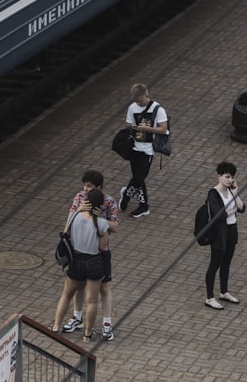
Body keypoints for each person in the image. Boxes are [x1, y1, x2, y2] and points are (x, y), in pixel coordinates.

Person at [61, 170, 120, 341]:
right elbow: (70, 218)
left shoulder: (109, 202)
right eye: (84, 185)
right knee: (78, 286)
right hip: (79, 250)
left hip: (101, 252)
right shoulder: (79, 197)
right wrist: (80, 210)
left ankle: (107, 324)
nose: (85, 189)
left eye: (90, 186)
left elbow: (115, 226)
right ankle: (77, 317)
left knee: (104, 287)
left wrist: (97, 217)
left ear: (99, 187)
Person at [51, 188, 111, 342]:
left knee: (66, 294)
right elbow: (102, 247)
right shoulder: (103, 224)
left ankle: (56, 327)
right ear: (100, 205)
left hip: (75, 260)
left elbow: (66, 234)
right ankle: (87, 334)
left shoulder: (73, 216)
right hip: (93, 261)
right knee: (92, 300)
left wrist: (78, 209)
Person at [119, 83, 168, 218]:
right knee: (138, 178)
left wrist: (147, 129)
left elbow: (163, 129)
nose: (139, 104)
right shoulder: (132, 108)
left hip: (148, 149)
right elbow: (128, 124)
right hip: (135, 147)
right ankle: (143, 205)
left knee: (140, 177)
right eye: (137, 102)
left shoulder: (158, 109)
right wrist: (132, 127)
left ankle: (128, 195)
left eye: (141, 101)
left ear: (147, 95)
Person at [203, 162, 245, 309]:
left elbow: (242, 208)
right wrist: (232, 210)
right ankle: (209, 297)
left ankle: (224, 292)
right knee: (214, 264)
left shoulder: (230, 192)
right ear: (219, 176)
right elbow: (219, 215)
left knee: (226, 262)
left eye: (232, 177)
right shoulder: (213, 193)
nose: (230, 180)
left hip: (231, 230)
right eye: (227, 176)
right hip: (219, 234)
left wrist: (235, 194)